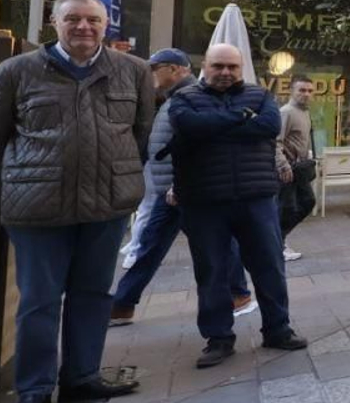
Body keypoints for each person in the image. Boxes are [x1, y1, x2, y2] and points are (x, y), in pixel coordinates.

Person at [0, 0, 150, 403]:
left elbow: (140, 135)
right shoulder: (14, 72)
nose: (84, 27)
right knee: (39, 300)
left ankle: (82, 377)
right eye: (74, 19)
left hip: (106, 206)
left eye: (93, 20)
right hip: (39, 208)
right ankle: (34, 389)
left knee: (94, 295)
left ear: (105, 25)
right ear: (54, 22)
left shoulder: (134, 72)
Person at [167, 43, 309, 368]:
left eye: (232, 67)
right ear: (206, 66)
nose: (226, 72)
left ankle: (278, 329)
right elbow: (189, 127)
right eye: (219, 66)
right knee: (212, 271)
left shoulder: (260, 97)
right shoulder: (185, 98)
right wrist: (239, 121)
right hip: (205, 201)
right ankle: (218, 338)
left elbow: (268, 127)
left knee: (270, 266)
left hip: (256, 197)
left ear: (241, 68)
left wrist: (214, 127)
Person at [111, 49, 254, 326]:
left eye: (157, 68)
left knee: (217, 243)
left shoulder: (190, 98)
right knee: (154, 245)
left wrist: (180, 184)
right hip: (174, 190)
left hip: (184, 189)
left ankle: (238, 294)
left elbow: (195, 143)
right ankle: (123, 303)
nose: (151, 74)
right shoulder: (174, 97)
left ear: (177, 69)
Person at [276, 73, 317, 261]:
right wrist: (283, 166)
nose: (306, 94)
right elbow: (275, 142)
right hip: (288, 169)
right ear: (292, 91)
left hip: (299, 169)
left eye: (309, 91)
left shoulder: (305, 112)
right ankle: (277, 244)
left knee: (307, 202)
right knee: (287, 208)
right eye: (302, 90)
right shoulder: (286, 112)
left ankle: (277, 240)